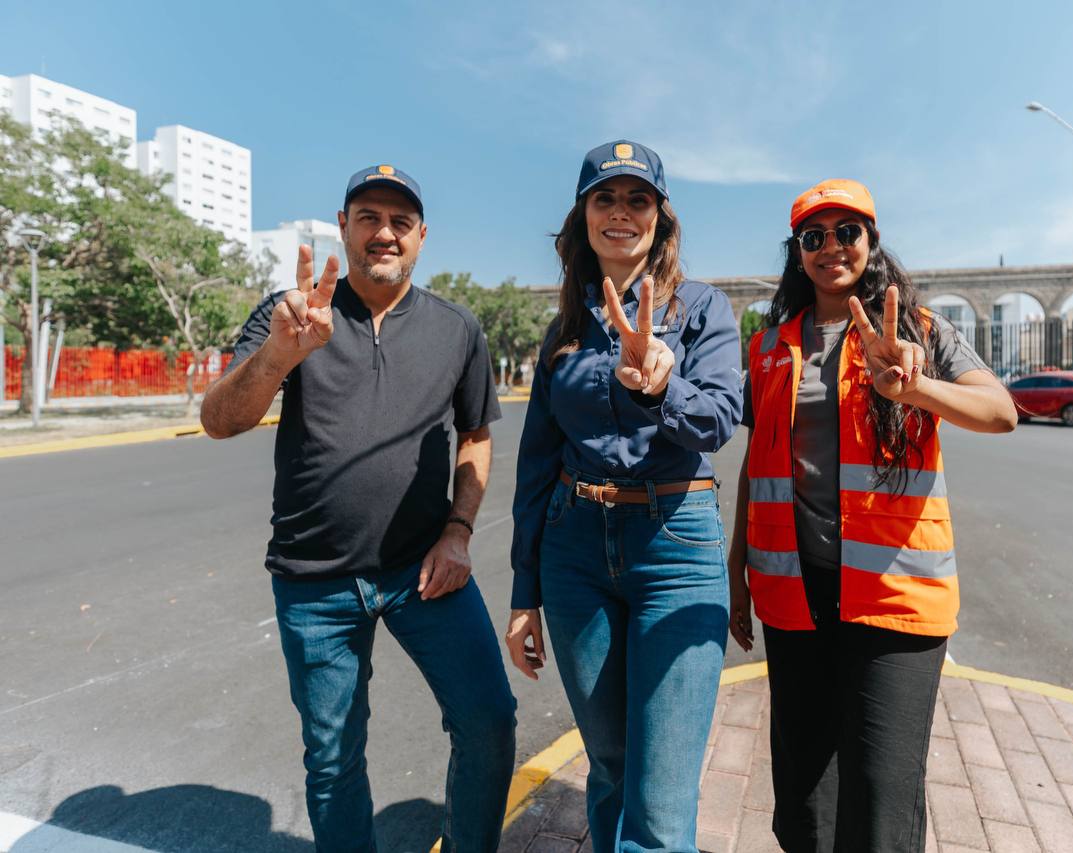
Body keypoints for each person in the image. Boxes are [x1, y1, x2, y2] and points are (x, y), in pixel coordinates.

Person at [201, 165, 516, 853]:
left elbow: (476, 435)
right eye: (369, 216)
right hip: (314, 582)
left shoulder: (457, 328)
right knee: (333, 758)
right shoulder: (293, 312)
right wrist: (278, 357)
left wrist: (459, 531)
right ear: (343, 226)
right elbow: (220, 420)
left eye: (401, 221)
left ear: (422, 236)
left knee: (489, 721)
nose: (384, 232)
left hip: (424, 571)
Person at [727, 179, 1017, 852]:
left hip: (894, 593)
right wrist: (737, 570)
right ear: (798, 252)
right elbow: (758, 463)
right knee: (804, 795)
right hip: (795, 593)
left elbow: (1000, 412)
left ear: (872, 241)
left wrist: (917, 388)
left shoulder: (921, 331)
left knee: (880, 795)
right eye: (814, 236)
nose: (832, 247)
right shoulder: (769, 348)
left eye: (847, 232)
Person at [504, 140, 743, 852]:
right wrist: (524, 592)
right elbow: (536, 461)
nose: (620, 213)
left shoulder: (702, 309)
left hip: (675, 547)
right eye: (605, 198)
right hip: (574, 551)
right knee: (608, 765)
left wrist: (662, 385)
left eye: (638, 199)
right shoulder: (564, 329)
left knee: (660, 806)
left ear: (660, 218)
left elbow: (720, 419)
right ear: (582, 216)